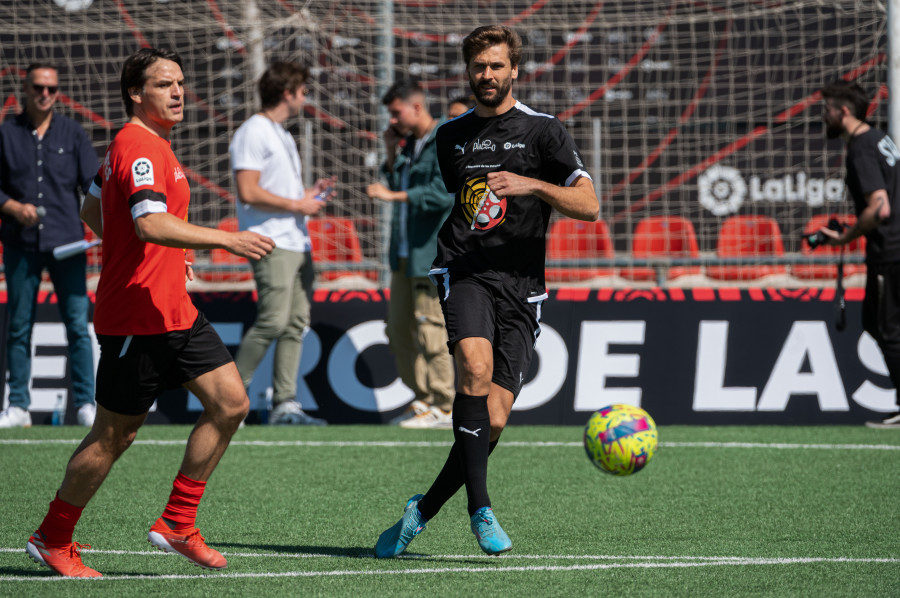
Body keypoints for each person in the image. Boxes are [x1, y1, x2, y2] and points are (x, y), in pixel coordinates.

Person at [24, 48, 275, 578]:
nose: (178, 91)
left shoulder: (152, 146)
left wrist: (167, 253)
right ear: (136, 93)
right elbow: (148, 223)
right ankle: (52, 537)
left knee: (230, 404)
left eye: (181, 82)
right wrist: (224, 241)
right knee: (114, 436)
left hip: (173, 311)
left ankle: (178, 524)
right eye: (165, 84)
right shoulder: (138, 144)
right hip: (136, 315)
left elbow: (98, 207)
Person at [374, 25, 599, 557]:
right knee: (473, 371)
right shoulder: (451, 136)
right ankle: (481, 509)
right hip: (464, 269)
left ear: (514, 70)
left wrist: (532, 185)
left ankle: (421, 511)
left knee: (493, 417)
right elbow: (455, 201)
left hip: (522, 285)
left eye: (497, 66)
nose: (488, 75)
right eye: (479, 67)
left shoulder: (545, 132)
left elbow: (589, 206)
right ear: (468, 71)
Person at [230, 61, 334, 426]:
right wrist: (297, 204)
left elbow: (277, 191)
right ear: (287, 92)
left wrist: (308, 196)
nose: (306, 96)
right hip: (271, 242)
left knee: (295, 323)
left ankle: (285, 404)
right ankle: (230, 401)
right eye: (303, 89)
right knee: (273, 321)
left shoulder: (282, 134)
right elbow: (248, 191)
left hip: (297, 241)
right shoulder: (253, 131)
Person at [0, 63, 98, 428]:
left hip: (67, 244)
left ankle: (87, 404)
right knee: (18, 326)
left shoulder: (73, 134)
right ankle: (19, 406)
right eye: (39, 87)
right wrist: (11, 207)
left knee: (77, 324)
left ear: (58, 92)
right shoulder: (6, 132)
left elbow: (92, 185)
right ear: (25, 88)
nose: (45, 94)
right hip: (19, 243)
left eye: (52, 88)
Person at [366, 80, 455, 429]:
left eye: (396, 112)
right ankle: (423, 399)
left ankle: (445, 405)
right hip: (403, 256)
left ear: (416, 107)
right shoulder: (409, 144)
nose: (392, 120)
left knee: (432, 330)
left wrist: (394, 197)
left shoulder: (444, 138)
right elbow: (394, 177)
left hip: (430, 254)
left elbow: (444, 193)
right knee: (399, 332)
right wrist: (390, 152)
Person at [820, 80, 900, 429]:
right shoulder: (881, 139)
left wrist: (844, 238)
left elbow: (879, 208)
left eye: (827, 109)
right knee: (876, 323)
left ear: (844, 111)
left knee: (886, 328)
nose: (824, 116)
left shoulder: (862, 148)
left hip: (891, 252)